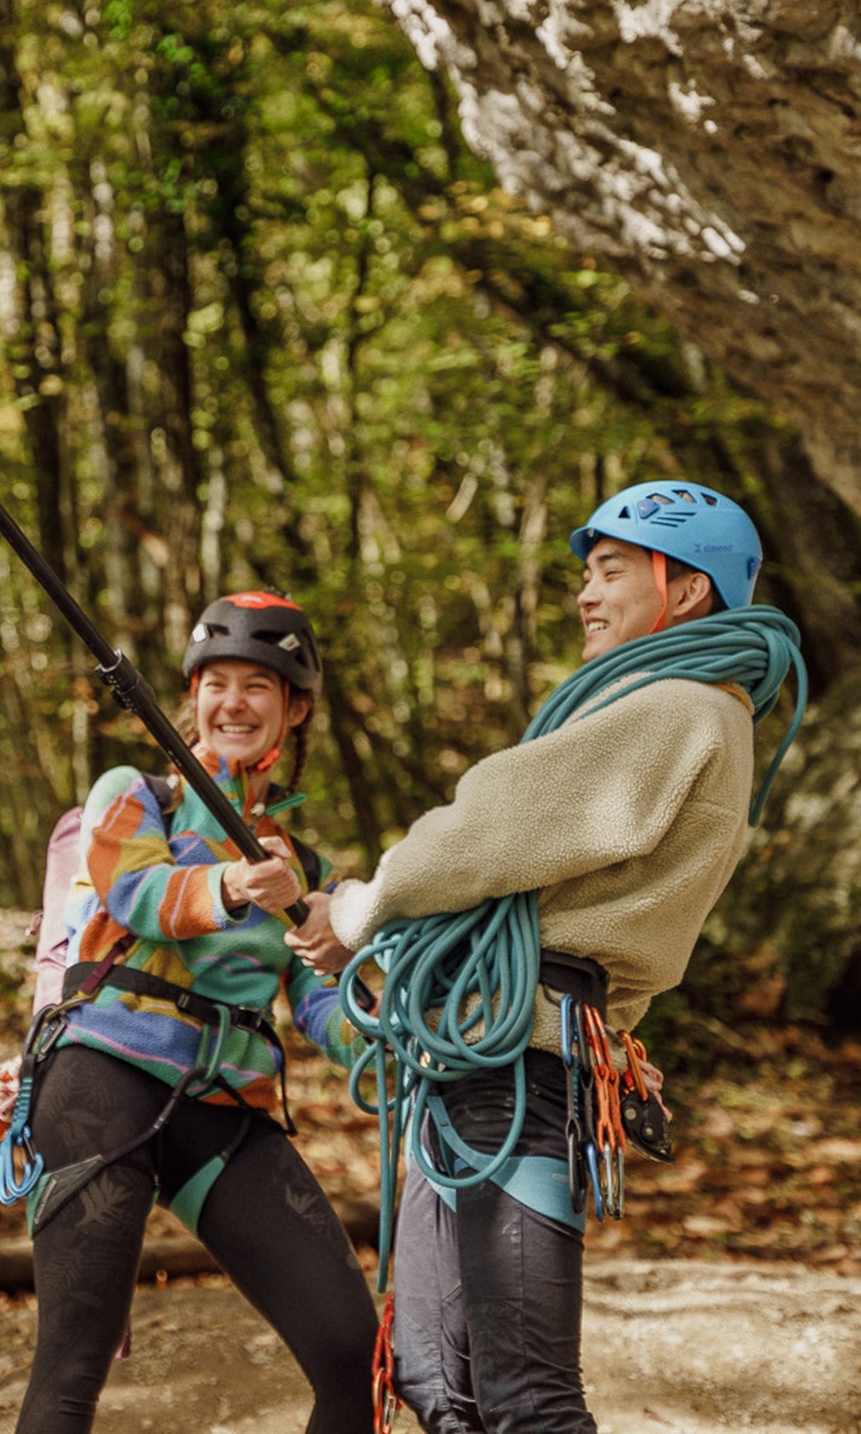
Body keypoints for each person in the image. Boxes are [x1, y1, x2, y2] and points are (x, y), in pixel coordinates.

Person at [286, 480, 803, 1434]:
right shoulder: (679, 710)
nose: (585, 595)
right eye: (587, 576)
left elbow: (488, 828)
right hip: (486, 1055)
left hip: (522, 1068)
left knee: (525, 1396)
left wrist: (359, 910)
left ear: (686, 593)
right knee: (437, 1381)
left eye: (611, 572)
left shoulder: (681, 705)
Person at [0, 591, 378, 1434]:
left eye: (259, 686)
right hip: (103, 1078)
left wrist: (403, 1056)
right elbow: (137, 894)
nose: (232, 703)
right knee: (71, 1369)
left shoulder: (305, 866)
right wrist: (237, 884)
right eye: (217, 683)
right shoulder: (133, 795)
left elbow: (323, 1007)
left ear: (296, 708)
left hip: (223, 1110)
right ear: (193, 696)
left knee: (356, 1352)